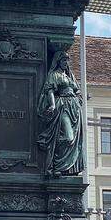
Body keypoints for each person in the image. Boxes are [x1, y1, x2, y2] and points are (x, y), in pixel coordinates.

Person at [36, 47, 84, 177]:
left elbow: (77, 90)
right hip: (62, 105)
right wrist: (52, 104)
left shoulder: (70, 76)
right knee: (69, 137)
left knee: (75, 140)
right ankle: (56, 165)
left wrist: (79, 98)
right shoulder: (54, 75)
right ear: (58, 61)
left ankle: (67, 169)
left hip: (74, 108)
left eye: (67, 60)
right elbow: (50, 90)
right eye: (63, 60)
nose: (66, 63)